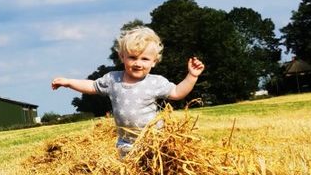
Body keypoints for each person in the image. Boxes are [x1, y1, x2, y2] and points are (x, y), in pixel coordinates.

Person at [51, 26, 205, 157]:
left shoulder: (155, 82)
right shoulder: (113, 79)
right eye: (132, 57)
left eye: (145, 59)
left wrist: (192, 76)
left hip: (154, 139)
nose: (138, 63)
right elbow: (92, 86)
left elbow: (177, 93)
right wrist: (69, 82)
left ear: (154, 62)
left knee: (154, 173)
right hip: (126, 142)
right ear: (122, 57)